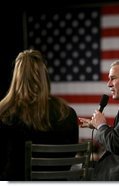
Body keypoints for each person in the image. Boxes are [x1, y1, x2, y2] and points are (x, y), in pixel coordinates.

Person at [0, 49, 79, 180]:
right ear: (44, 76)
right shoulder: (67, 113)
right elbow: (69, 159)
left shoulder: (4, 113)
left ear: (16, 77)